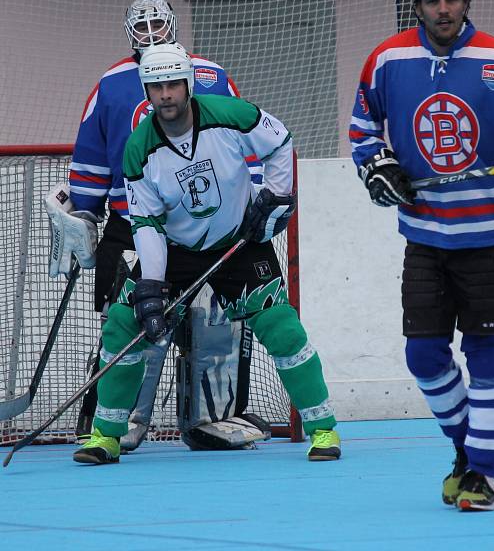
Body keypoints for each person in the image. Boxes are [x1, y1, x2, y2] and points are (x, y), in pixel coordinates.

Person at [72, 43, 341, 464]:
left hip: (240, 241)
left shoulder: (230, 115)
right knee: (124, 323)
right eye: (157, 86)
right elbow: (147, 226)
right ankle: (106, 436)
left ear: (189, 84)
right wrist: (151, 285)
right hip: (176, 249)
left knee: (281, 327)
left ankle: (323, 429)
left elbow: (280, 142)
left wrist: (275, 198)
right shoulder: (138, 151)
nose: (166, 95)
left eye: (174, 84)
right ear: (147, 90)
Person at [349, 0, 494, 511]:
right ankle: (468, 449)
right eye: (433, 0)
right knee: (424, 355)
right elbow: (363, 128)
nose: (444, 8)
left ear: (466, 0)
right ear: (416, 4)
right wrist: (377, 166)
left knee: (485, 350)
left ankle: (484, 472)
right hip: (425, 236)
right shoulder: (388, 59)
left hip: (489, 236)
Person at [49, 0, 261, 452]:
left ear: (173, 26)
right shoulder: (111, 84)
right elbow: (91, 155)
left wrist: (255, 198)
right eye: (140, 29)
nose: (150, 36)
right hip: (133, 224)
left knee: (215, 319)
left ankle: (211, 418)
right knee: (126, 321)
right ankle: (106, 423)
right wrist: (85, 210)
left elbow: (249, 139)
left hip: (206, 224)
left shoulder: (211, 75)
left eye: (157, 26)